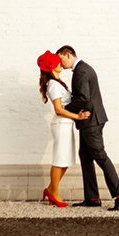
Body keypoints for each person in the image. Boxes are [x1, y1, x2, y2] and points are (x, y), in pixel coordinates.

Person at [56, 45, 119, 211]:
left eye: (61, 60)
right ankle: (92, 197)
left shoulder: (81, 71)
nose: (61, 65)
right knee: (85, 156)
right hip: (89, 121)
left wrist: (64, 110)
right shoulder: (83, 69)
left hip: (91, 121)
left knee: (99, 155)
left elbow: (83, 97)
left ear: (68, 55)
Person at [37, 50, 90, 207]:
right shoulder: (53, 84)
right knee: (59, 159)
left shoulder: (57, 82)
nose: (61, 63)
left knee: (65, 160)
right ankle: (54, 194)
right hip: (61, 125)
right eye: (57, 62)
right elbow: (59, 109)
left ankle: (50, 189)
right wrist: (77, 117)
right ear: (53, 66)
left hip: (66, 125)